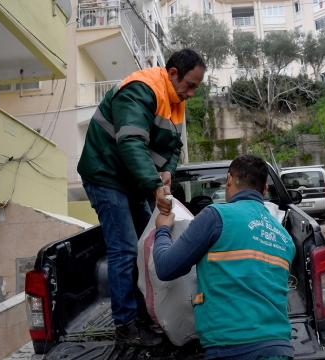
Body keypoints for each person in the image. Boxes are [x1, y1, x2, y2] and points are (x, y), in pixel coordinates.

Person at [77, 49, 206, 347]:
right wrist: (155, 186)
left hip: (129, 182)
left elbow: (173, 147)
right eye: (190, 84)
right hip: (105, 174)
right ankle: (125, 325)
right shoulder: (141, 89)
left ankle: (143, 313)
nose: (193, 93)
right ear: (172, 73)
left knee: (141, 247)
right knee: (123, 248)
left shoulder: (175, 100)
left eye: (196, 86)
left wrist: (168, 174)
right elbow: (132, 142)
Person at [154, 154, 296, 360]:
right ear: (264, 191)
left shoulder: (216, 217)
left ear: (229, 179)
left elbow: (165, 267)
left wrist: (163, 230)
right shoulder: (285, 237)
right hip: (280, 348)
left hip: (233, 348)